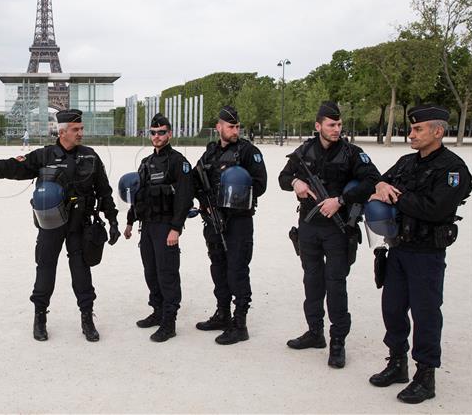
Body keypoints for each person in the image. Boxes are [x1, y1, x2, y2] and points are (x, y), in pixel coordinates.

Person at [0, 109, 121, 342]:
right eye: (76, 130)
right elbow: (12, 166)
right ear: (62, 132)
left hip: (80, 224)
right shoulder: (43, 156)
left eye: (81, 129)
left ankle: (87, 318)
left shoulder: (91, 156)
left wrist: (112, 220)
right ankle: (40, 317)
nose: (81, 133)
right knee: (45, 269)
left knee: (82, 273)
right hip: (51, 224)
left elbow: (104, 191)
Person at [367, 104, 472, 404]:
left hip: (426, 253)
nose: (410, 133)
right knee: (393, 308)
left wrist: (395, 196)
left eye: (417, 129)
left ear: (438, 132)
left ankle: (426, 375)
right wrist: (381, 185)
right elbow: (379, 185)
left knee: (426, 313)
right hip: (398, 247)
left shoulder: (452, 169)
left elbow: (435, 208)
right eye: (411, 128)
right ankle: (397, 363)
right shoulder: (405, 162)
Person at [278, 101, 380, 368]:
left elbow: (372, 180)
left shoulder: (351, 153)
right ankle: (315, 333)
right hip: (309, 227)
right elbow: (282, 177)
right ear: (318, 126)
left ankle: (338, 342)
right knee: (312, 282)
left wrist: (341, 200)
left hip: (339, 228)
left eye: (339, 124)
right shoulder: (305, 151)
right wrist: (295, 182)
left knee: (336, 286)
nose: (337, 129)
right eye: (331, 124)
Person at [192, 106, 267, 345]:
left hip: (238, 221)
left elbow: (260, 184)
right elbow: (197, 179)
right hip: (213, 220)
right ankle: (222, 313)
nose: (235, 131)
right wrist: (205, 204)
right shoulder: (210, 152)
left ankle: (240, 323)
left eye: (237, 127)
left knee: (237, 270)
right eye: (230, 126)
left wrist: (234, 190)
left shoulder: (248, 151)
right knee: (218, 268)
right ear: (219, 127)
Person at [123, 113, 192, 342]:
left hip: (166, 227)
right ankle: (158, 311)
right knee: (151, 272)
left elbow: (184, 199)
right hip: (148, 226)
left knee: (167, 274)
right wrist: (130, 221)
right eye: (153, 132)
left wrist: (176, 228)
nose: (157, 136)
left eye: (161, 132)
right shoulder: (146, 163)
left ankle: (169, 322)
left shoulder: (178, 162)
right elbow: (138, 195)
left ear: (169, 134)